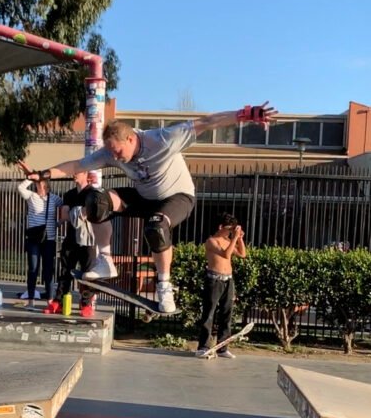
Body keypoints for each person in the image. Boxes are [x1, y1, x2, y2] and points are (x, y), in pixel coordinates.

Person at [25, 103, 276, 313]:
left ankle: (164, 287)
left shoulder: (163, 139)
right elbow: (77, 165)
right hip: (144, 197)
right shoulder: (111, 153)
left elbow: (207, 122)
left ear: (131, 138)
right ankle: (105, 260)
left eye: (119, 151)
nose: (117, 157)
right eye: (112, 153)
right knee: (96, 200)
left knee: (156, 226)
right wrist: (43, 174)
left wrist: (245, 115)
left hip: (177, 197)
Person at [44, 170, 111, 318]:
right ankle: (58, 301)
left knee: (88, 272)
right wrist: (81, 212)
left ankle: (86, 303)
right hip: (72, 237)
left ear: (87, 175)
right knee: (65, 270)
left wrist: (78, 212)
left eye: (78, 172)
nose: (74, 174)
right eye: (74, 172)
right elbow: (65, 215)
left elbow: (98, 213)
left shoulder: (93, 193)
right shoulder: (69, 194)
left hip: (89, 239)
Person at [194, 213, 247, 359]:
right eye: (229, 229)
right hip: (214, 280)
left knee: (226, 314)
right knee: (209, 313)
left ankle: (222, 348)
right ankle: (203, 346)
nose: (230, 232)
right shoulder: (212, 241)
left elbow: (242, 254)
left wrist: (240, 238)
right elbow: (226, 255)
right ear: (220, 227)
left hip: (228, 280)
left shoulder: (227, 240)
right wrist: (234, 238)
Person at [17, 167, 63, 308]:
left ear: (45, 184)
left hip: (49, 239)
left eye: (39, 182)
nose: (37, 185)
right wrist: (31, 177)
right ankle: (31, 299)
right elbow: (20, 188)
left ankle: (50, 299)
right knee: (33, 268)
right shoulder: (31, 196)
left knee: (48, 269)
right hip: (34, 239)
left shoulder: (54, 199)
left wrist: (58, 223)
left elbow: (65, 208)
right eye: (36, 183)